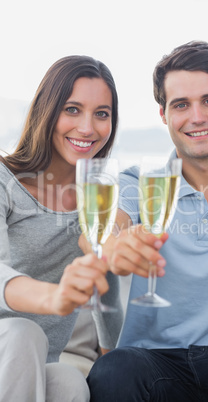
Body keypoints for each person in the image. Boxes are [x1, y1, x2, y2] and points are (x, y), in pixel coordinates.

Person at [86, 41, 208, 401]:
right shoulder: (139, 182)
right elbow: (107, 229)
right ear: (163, 115)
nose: (197, 117)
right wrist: (116, 245)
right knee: (113, 372)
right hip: (155, 365)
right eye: (181, 105)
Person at [0, 55, 123, 402]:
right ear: (47, 111)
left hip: (41, 361)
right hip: (9, 345)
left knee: (70, 383)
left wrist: (115, 355)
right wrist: (53, 297)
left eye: (102, 113)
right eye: (72, 109)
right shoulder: (5, 181)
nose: (88, 128)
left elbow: (106, 284)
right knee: (24, 332)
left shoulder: (95, 197)